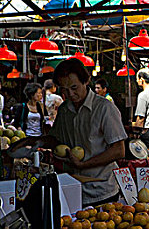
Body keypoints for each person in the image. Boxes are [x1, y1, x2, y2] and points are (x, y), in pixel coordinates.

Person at [10, 59, 128, 206]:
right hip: (72, 190)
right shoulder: (65, 109)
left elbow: (119, 150)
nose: (70, 94)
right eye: (64, 90)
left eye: (74, 87)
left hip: (101, 191)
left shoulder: (104, 108)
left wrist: (84, 165)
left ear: (86, 81)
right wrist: (32, 141)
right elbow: (55, 139)